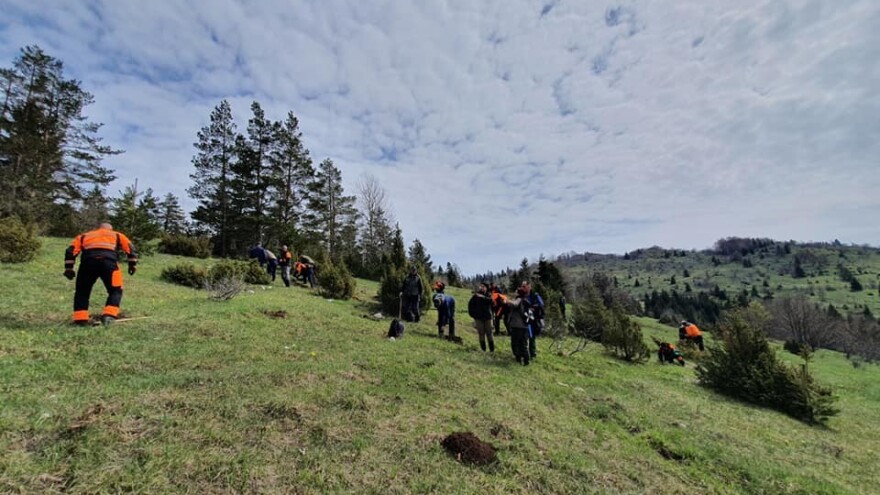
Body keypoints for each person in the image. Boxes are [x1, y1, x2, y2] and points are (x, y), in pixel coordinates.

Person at [64, 222, 138, 325]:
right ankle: (109, 315)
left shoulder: (84, 236)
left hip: (87, 264)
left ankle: (80, 319)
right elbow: (130, 249)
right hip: (109, 264)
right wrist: (132, 265)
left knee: (82, 291)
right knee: (116, 290)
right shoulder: (117, 235)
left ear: (98, 228)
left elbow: (70, 251)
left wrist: (69, 268)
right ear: (110, 229)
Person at [504, 286, 533, 365]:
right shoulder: (526, 301)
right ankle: (526, 360)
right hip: (525, 325)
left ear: (518, 293)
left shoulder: (519, 299)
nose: (514, 293)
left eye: (516, 292)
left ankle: (518, 359)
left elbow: (514, 304)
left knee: (515, 343)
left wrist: (507, 300)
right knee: (523, 344)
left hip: (517, 325)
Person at [520, 281, 544, 360]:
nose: (523, 288)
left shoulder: (535, 295)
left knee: (531, 336)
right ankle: (523, 353)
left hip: (532, 319)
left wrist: (532, 307)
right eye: (522, 286)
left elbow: (541, 305)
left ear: (529, 286)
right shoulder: (521, 295)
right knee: (522, 337)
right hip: (522, 318)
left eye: (524, 286)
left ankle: (532, 354)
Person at [468, 282, 495, 352]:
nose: (482, 288)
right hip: (479, 318)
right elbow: (470, 305)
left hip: (488, 317)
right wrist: (473, 315)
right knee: (481, 333)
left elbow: (492, 302)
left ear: (486, 288)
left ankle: (492, 349)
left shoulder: (489, 295)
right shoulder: (476, 296)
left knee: (489, 333)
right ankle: (483, 349)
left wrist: (483, 297)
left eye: (483, 287)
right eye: (481, 286)